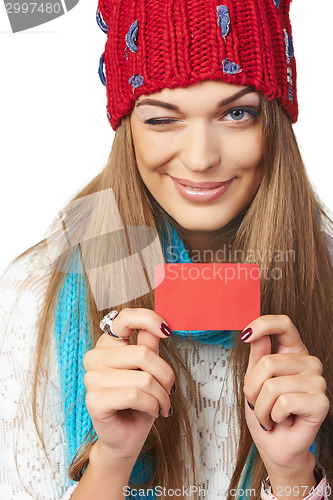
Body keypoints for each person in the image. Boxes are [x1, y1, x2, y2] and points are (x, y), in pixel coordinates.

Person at [1, 0, 333, 499]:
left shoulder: (324, 274)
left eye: (237, 113)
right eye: (161, 119)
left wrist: (292, 476)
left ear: (275, 124)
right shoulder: (38, 289)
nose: (201, 158)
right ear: (127, 127)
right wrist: (111, 461)